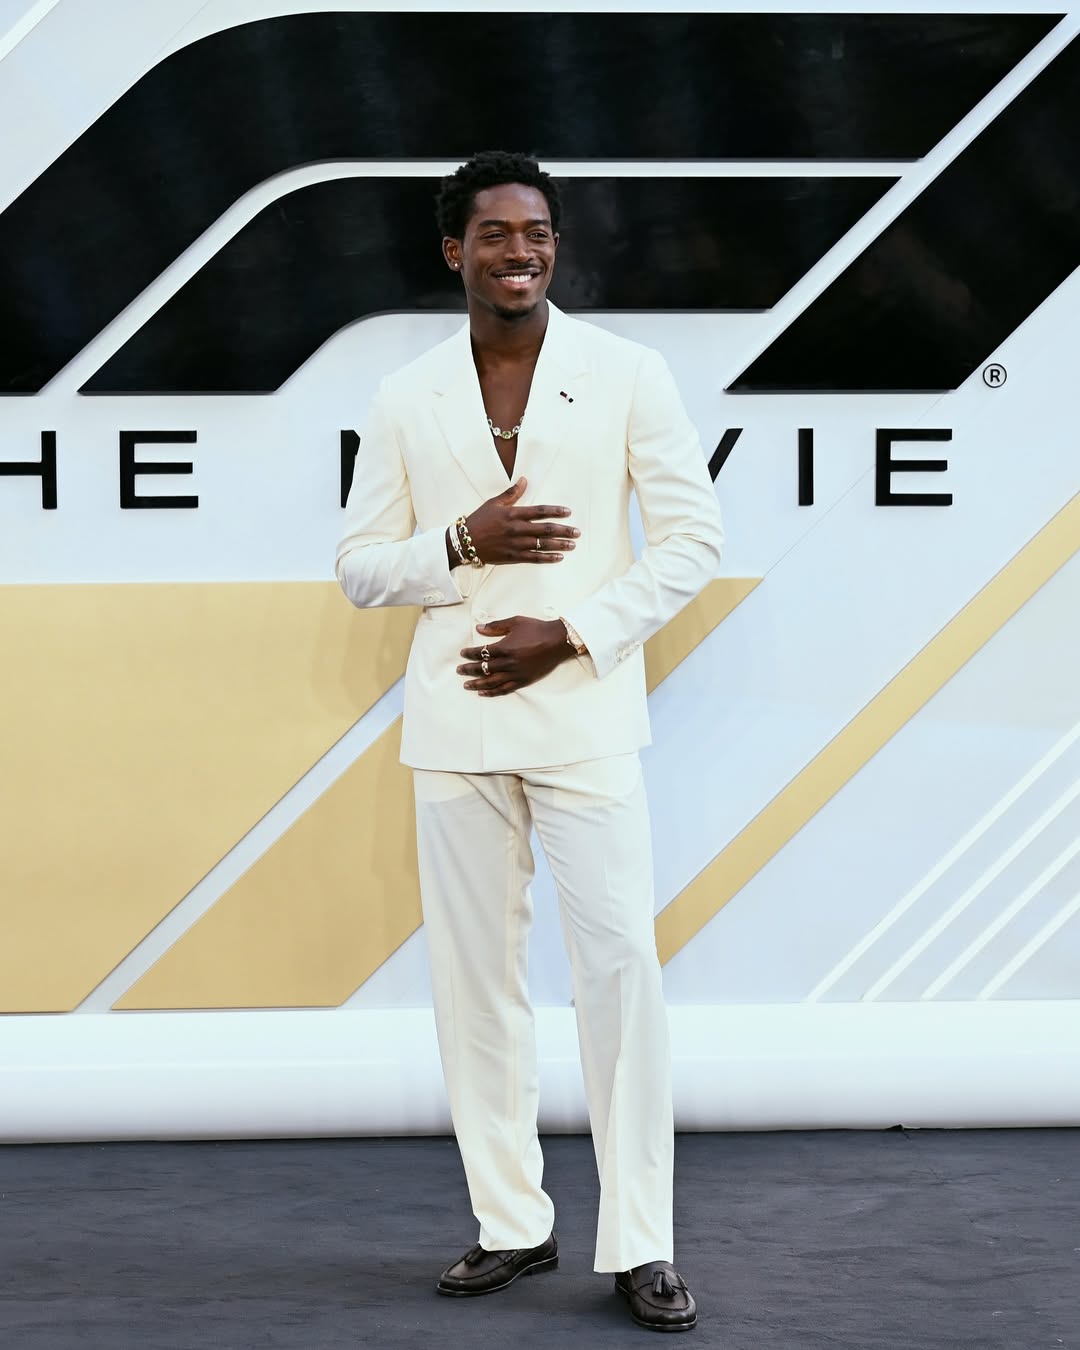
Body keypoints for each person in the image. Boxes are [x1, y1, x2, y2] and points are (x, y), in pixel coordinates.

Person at [336, 150, 724, 1333]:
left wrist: (571, 633)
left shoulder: (627, 373)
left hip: (585, 716)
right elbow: (360, 568)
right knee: (476, 988)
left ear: (555, 245)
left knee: (620, 974)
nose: (521, 251)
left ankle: (641, 1243)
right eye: (497, 233)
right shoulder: (406, 395)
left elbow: (693, 541)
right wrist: (463, 539)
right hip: (455, 726)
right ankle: (512, 1223)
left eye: (538, 231)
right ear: (454, 251)